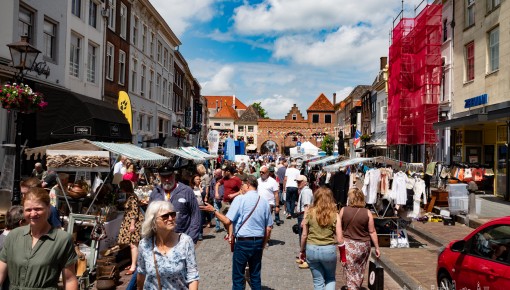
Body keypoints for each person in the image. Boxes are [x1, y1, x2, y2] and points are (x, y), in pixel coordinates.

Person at [201, 175, 273, 290]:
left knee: (238, 277)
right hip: (258, 242)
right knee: (255, 276)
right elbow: (268, 229)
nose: (241, 188)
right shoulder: (264, 201)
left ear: (248, 184)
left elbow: (227, 220)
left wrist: (213, 211)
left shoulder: (240, 199)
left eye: (242, 185)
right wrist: (262, 245)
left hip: (243, 242)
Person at [0, 187, 78, 289]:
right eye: (28, 210)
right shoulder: (13, 236)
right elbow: (1, 272)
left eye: (38, 209)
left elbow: (69, 279)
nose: (33, 213)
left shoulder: (62, 240)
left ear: (48, 209)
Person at [137, 201, 199, 290]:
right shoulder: (145, 244)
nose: (170, 218)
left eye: (173, 214)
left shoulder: (185, 241)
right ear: (153, 220)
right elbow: (141, 272)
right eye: (165, 216)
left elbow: (193, 276)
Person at [299, 187, 341, 289]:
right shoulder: (335, 215)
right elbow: (340, 238)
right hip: (328, 249)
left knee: (318, 281)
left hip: (312, 249)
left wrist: (301, 250)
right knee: (330, 278)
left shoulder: (309, 213)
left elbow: (304, 235)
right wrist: (343, 255)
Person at [339, 188, 381, 289]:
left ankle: (353, 287)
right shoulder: (367, 213)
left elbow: (338, 228)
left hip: (349, 246)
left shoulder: (343, 210)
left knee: (350, 271)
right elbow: (372, 231)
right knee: (360, 270)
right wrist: (377, 247)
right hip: (363, 246)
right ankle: (356, 286)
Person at [149, 165, 201, 243]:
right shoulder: (155, 193)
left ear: (174, 175)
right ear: (159, 177)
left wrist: (191, 238)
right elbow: (150, 217)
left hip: (182, 240)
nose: (167, 180)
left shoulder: (186, 191)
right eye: (164, 177)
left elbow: (195, 215)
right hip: (162, 242)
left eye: (169, 176)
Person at [117, 180, 144, 275]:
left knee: (133, 244)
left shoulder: (132, 197)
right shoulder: (130, 196)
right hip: (129, 221)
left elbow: (134, 212)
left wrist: (132, 225)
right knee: (132, 244)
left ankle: (133, 265)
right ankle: (133, 263)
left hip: (133, 222)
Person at [215, 165, 242, 237]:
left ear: (229, 171)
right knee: (221, 216)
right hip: (224, 201)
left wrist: (234, 195)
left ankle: (232, 233)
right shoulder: (224, 179)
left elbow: (242, 190)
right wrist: (216, 193)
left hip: (233, 202)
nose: (223, 172)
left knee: (232, 218)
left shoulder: (237, 180)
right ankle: (228, 231)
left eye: (225, 171)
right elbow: (217, 184)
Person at [295, 175, 314, 267]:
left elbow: (307, 206)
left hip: (303, 215)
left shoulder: (306, 191)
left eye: (299, 182)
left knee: (304, 236)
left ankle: (306, 258)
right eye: (297, 182)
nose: (298, 183)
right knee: (302, 236)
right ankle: (302, 256)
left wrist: (304, 219)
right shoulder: (304, 190)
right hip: (302, 214)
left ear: (305, 182)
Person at [190, 174, 205, 241]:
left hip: (201, 206)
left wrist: (200, 187)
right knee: (194, 221)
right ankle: (194, 233)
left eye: (199, 179)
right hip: (193, 207)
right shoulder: (190, 188)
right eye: (197, 179)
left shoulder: (201, 187)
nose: (198, 180)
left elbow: (203, 194)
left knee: (200, 221)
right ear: (193, 180)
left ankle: (200, 234)